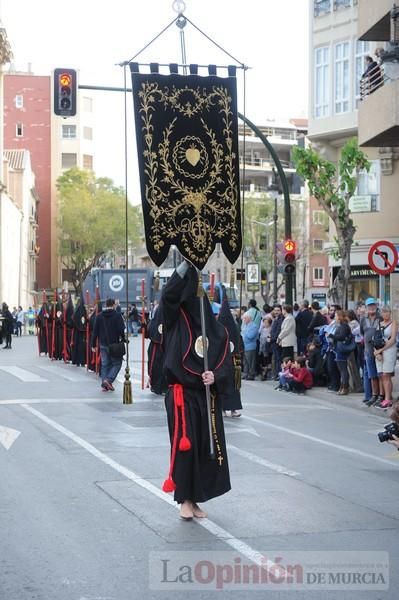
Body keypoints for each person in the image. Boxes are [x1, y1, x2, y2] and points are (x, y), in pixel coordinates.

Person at [160, 262, 231, 520]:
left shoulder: (215, 329)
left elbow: (225, 362)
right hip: (182, 395)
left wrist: (216, 375)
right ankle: (183, 500)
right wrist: (187, 267)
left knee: (204, 448)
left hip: (205, 397)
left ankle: (196, 497)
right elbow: (168, 295)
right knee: (184, 448)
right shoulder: (176, 319)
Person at [91, 297, 126, 392]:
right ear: (114, 305)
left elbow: (95, 331)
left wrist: (93, 344)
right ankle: (108, 380)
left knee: (105, 364)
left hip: (102, 344)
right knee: (117, 363)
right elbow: (121, 330)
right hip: (114, 344)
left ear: (106, 305)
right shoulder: (117, 316)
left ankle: (105, 384)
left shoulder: (99, 316)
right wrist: (123, 339)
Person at [218, 298, 243, 418]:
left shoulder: (218, 328)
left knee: (224, 386)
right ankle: (233, 409)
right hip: (233, 363)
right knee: (233, 387)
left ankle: (223, 409)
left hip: (222, 363)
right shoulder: (234, 328)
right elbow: (239, 344)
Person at [374, 306, 398, 409]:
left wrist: (381, 350)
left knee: (386, 374)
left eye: (387, 312)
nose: (386, 314)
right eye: (384, 312)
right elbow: (375, 339)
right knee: (381, 375)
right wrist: (376, 352)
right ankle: (385, 397)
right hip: (379, 352)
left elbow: (392, 340)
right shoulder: (379, 324)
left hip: (389, 350)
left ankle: (388, 399)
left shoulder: (394, 323)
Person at [361, 298, 384, 406]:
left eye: (373, 305)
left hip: (379, 351)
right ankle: (373, 395)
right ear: (366, 308)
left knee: (381, 374)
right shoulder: (363, 319)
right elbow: (362, 332)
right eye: (369, 306)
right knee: (372, 375)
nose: (372, 308)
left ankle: (381, 395)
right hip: (368, 350)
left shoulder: (380, 318)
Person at [330, 310, 353, 395]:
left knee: (343, 369)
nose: (335, 317)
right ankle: (342, 386)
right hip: (339, 349)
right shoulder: (341, 326)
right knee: (341, 369)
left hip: (342, 349)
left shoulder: (344, 326)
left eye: (336, 316)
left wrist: (332, 336)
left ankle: (345, 387)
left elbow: (342, 337)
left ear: (339, 317)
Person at [242, 314, 258, 380]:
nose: (244, 320)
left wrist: (244, 333)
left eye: (245, 318)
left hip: (250, 346)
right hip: (244, 346)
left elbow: (250, 336)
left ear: (249, 318)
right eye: (243, 318)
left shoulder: (254, 326)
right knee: (245, 362)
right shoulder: (245, 325)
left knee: (250, 362)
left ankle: (251, 375)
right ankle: (246, 374)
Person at [271, 305, 284, 380]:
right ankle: (276, 374)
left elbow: (278, 331)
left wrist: (272, 338)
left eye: (278, 310)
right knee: (275, 358)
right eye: (275, 310)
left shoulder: (281, 319)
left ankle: (278, 374)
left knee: (278, 359)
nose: (276, 312)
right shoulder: (276, 319)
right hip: (274, 341)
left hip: (276, 342)